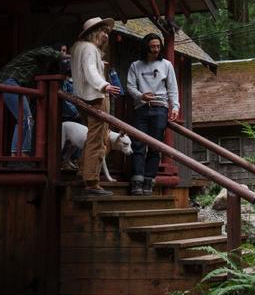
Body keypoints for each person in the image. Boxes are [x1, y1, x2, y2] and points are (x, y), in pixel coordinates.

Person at [125, 33, 180, 196]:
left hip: (160, 108)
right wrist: (141, 96)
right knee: (138, 144)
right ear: (146, 47)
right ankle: (137, 180)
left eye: (158, 46)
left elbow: (172, 88)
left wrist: (174, 107)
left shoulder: (167, 65)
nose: (156, 49)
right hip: (141, 107)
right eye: (153, 46)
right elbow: (130, 86)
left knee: (156, 146)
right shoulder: (136, 65)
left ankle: (149, 180)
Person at [71, 17, 120, 195]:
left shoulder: (77, 48)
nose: (106, 36)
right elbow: (91, 70)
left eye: (107, 32)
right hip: (95, 97)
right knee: (98, 139)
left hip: (81, 97)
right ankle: (91, 181)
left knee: (92, 136)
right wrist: (103, 85)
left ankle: (82, 171)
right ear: (93, 32)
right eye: (102, 31)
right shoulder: (90, 48)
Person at [0, 43, 68, 159]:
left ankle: (19, 153)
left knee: (26, 119)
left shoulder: (41, 65)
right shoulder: (42, 50)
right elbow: (50, 52)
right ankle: (19, 154)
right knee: (25, 118)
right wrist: (71, 57)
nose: (63, 54)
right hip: (9, 81)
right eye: (62, 50)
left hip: (14, 83)